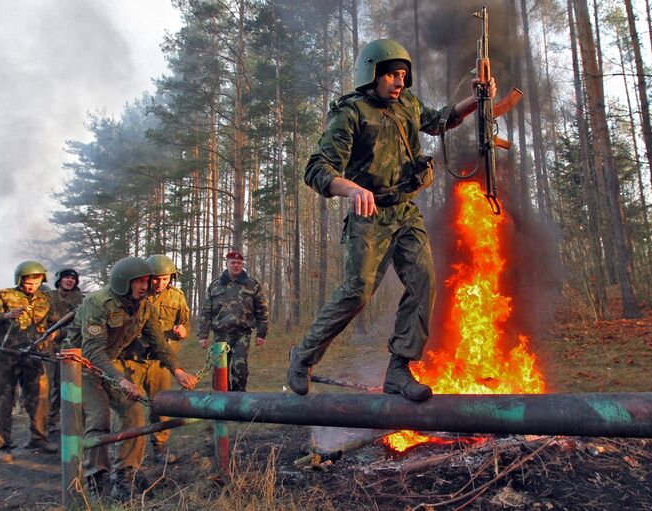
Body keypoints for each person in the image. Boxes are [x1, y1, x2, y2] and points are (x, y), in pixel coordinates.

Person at [286, 39, 497, 402]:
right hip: (369, 216)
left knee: (424, 281)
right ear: (371, 75)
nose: (399, 83)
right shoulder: (350, 113)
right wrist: (351, 189)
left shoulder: (408, 104)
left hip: (405, 211)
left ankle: (399, 370)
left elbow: (440, 120)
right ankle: (302, 357)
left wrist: (477, 100)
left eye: (402, 75)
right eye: (391, 75)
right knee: (357, 292)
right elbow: (316, 169)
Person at [65, 256, 198, 501]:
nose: (144, 286)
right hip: (81, 364)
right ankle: (96, 476)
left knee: (133, 412)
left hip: (110, 361)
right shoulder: (98, 303)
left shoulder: (144, 305)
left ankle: (125, 473)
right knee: (99, 416)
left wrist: (178, 370)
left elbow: (158, 342)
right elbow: (93, 351)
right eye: (138, 281)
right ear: (123, 282)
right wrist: (122, 379)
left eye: (146, 281)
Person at [0, 261, 58, 463]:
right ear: (20, 279)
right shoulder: (5, 295)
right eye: (28, 280)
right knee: (3, 401)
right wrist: (5, 315)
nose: (32, 284)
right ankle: (3, 447)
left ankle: (39, 439)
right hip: (7, 356)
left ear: (42, 279)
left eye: (37, 279)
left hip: (34, 356)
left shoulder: (44, 299)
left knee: (40, 399)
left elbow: (56, 322)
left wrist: (56, 332)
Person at [138, 254, 191, 464]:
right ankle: (129, 449)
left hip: (162, 361)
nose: (160, 283)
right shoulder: (139, 294)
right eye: (156, 278)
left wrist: (183, 330)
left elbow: (185, 322)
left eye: (165, 278)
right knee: (129, 405)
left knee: (159, 404)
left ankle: (159, 447)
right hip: (134, 357)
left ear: (171, 278)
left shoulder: (177, 297)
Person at [198, 251, 268, 392]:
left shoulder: (252, 285)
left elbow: (262, 310)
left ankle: (238, 401)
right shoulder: (215, 285)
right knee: (219, 372)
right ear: (227, 264)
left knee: (239, 368)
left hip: (242, 334)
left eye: (239, 263)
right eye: (233, 263)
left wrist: (261, 333)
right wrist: (203, 336)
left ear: (242, 265)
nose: (236, 265)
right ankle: (221, 404)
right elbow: (206, 312)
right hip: (220, 335)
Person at [44, 267, 83, 433]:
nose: (70, 281)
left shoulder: (80, 300)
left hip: (69, 346)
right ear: (59, 280)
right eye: (66, 278)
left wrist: (58, 333)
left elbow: (79, 325)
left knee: (65, 384)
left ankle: (66, 419)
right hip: (46, 346)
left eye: (73, 279)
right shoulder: (48, 297)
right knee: (46, 385)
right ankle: (47, 421)